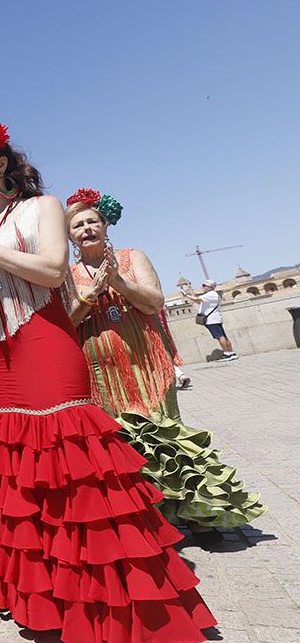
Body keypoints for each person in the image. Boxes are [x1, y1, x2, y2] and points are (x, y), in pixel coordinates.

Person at [0, 119, 215, 643]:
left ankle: (126, 605)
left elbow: (50, 269)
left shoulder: (42, 206)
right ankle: (52, 603)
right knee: (25, 472)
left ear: (1, 165)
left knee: (79, 459)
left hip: (44, 335)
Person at [66, 188, 265, 528]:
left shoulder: (132, 256)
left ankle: (203, 515)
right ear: (70, 236)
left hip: (145, 361)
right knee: (125, 443)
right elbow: (67, 321)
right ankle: (153, 521)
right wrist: (92, 295)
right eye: (78, 225)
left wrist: (117, 281)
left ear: (105, 226)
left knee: (166, 433)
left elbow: (155, 302)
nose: (86, 228)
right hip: (101, 372)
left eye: (92, 221)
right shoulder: (67, 275)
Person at [185, 279, 238, 360]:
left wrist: (186, 295)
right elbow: (199, 302)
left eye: (204, 285)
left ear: (209, 287)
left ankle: (227, 354)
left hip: (211, 320)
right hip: (216, 318)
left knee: (219, 336)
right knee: (223, 336)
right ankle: (231, 352)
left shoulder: (210, 294)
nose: (202, 287)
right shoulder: (214, 295)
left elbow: (196, 300)